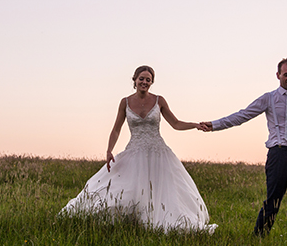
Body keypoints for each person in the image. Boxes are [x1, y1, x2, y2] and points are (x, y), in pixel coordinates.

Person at [60, 65, 217, 233]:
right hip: (134, 151)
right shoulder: (125, 102)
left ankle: (160, 219)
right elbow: (116, 129)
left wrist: (194, 125)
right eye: (141, 78)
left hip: (158, 153)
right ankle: (132, 220)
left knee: (163, 190)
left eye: (148, 80)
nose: (144, 82)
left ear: (152, 82)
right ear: (134, 80)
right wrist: (109, 150)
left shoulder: (159, 101)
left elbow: (176, 124)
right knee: (127, 188)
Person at [199, 58, 287, 244]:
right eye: (286, 75)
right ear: (278, 75)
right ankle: (258, 239)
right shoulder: (269, 98)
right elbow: (242, 115)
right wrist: (215, 125)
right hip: (278, 155)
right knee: (273, 201)